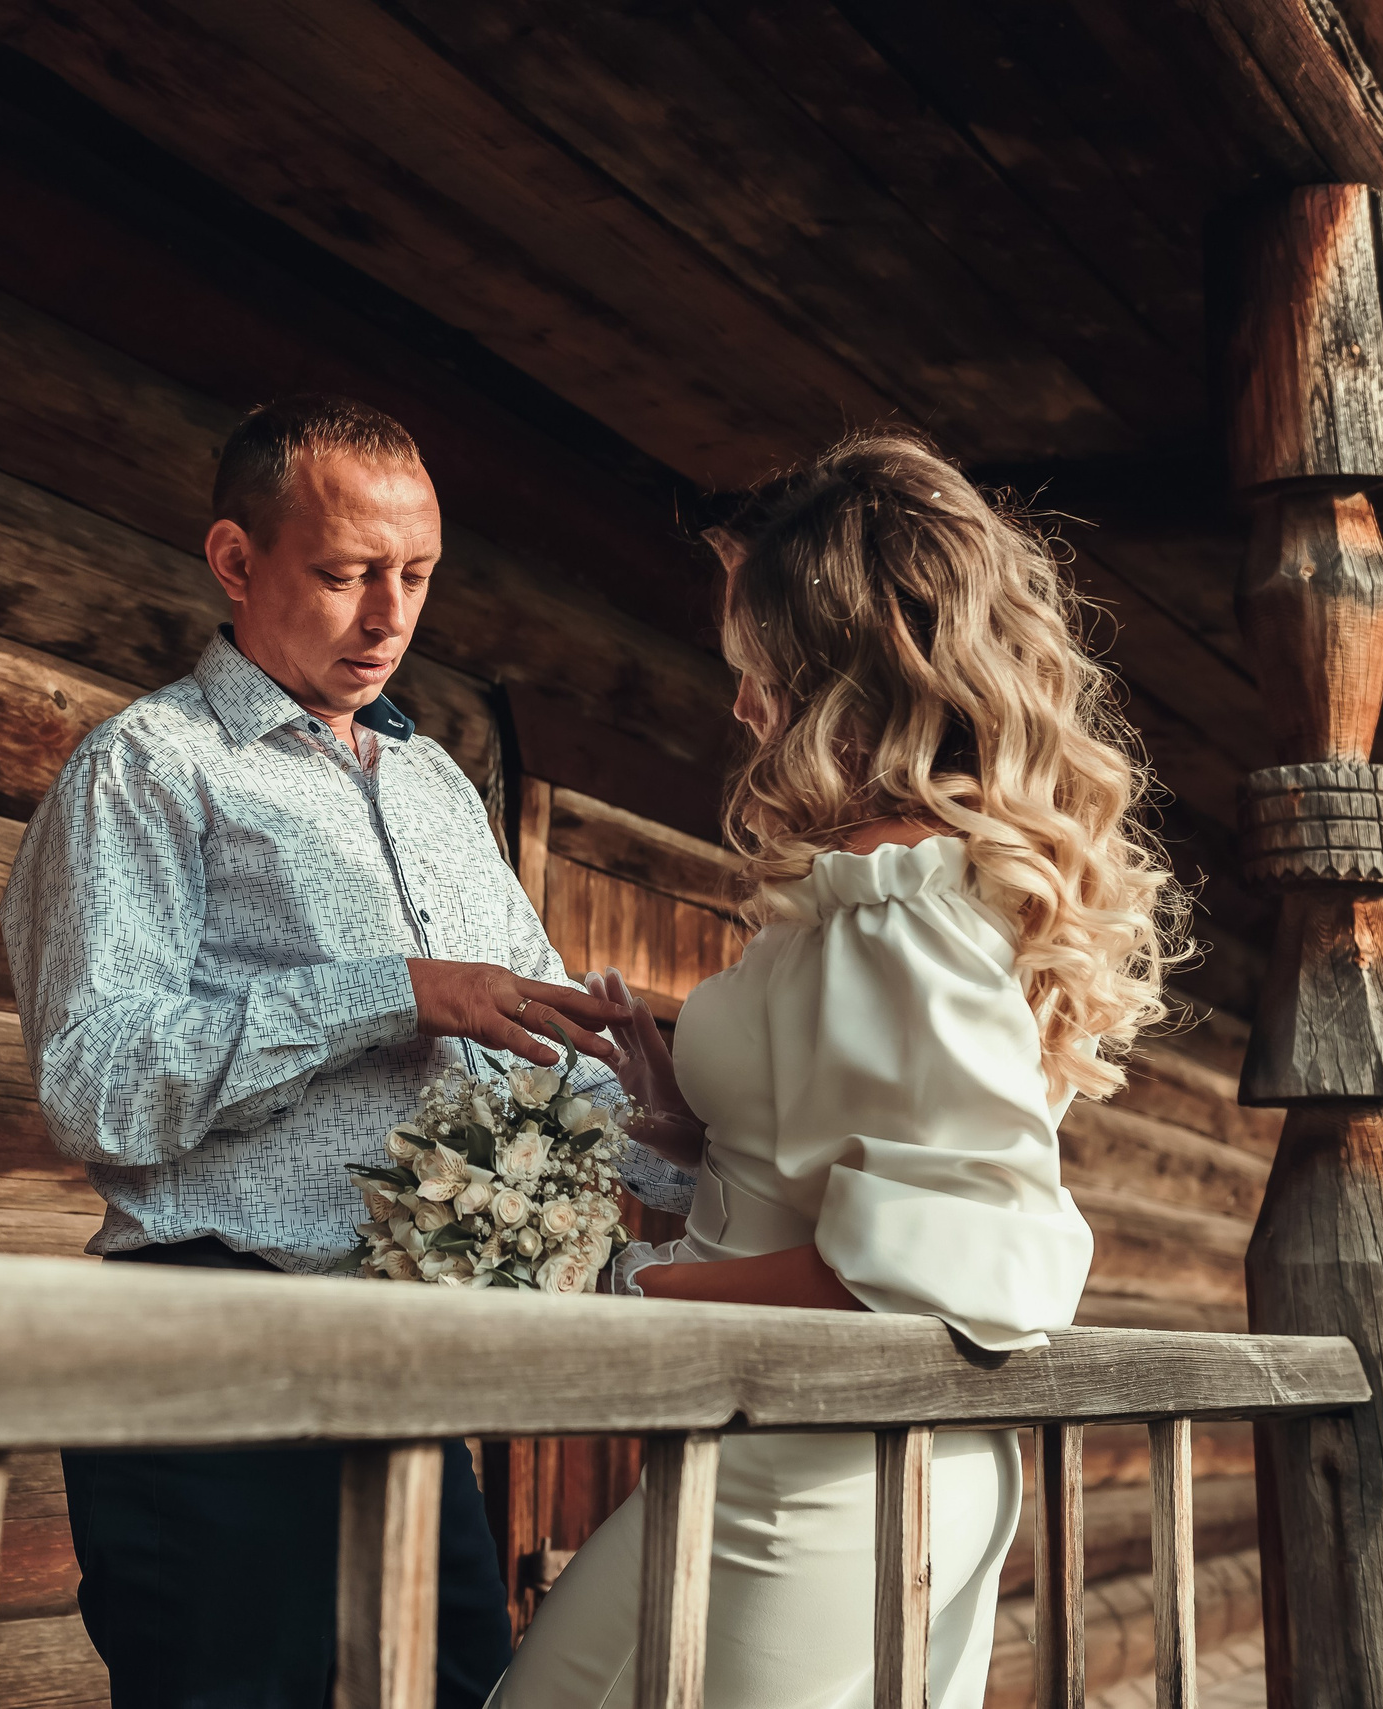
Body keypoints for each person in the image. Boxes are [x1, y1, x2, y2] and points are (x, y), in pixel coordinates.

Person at [0, 394, 695, 1709]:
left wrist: (713, 1166)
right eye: (344, 573)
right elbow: (95, 1083)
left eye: (416, 576)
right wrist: (389, 994)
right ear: (235, 559)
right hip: (210, 1366)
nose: (388, 617)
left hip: (409, 1379)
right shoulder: (148, 770)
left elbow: (549, 1051)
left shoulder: (440, 792)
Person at [492, 430, 1189, 1709]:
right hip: (799, 1455)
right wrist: (691, 1126)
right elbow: (872, 1171)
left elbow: (940, 1261)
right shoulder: (900, 890)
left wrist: (631, 1287)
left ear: (836, 673)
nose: (743, 703)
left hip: (819, 1484)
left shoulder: (895, 904)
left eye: (755, 668)